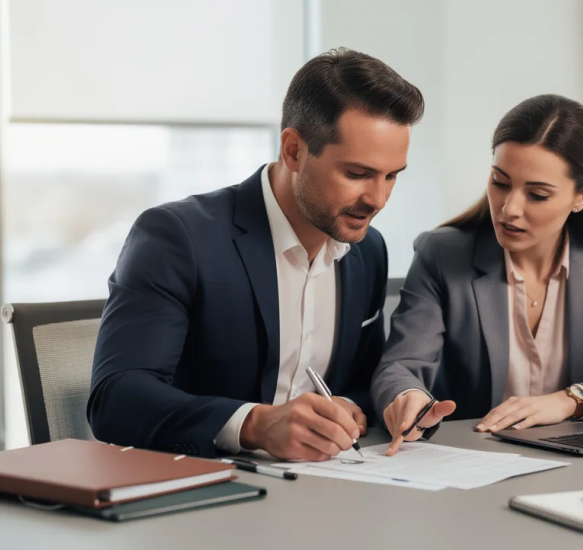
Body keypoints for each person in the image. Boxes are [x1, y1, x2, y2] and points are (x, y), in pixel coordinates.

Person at [88, 48, 424, 461]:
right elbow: (115, 399)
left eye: (391, 176)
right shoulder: (177, 237)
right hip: (201, 495)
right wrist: (255, 425)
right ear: (293, 150)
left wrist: (351, 407)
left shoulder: (367, 249)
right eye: (357, 174)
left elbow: (361, 379)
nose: (378, 199)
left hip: (330, 493)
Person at [373, 94, 583, 456]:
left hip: (576, 461)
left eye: (537, 195)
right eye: (500, 182)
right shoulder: (442, 254)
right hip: (473, 458)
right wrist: (408, 396)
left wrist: (574, 400)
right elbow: (401, 366)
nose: (509, 209)